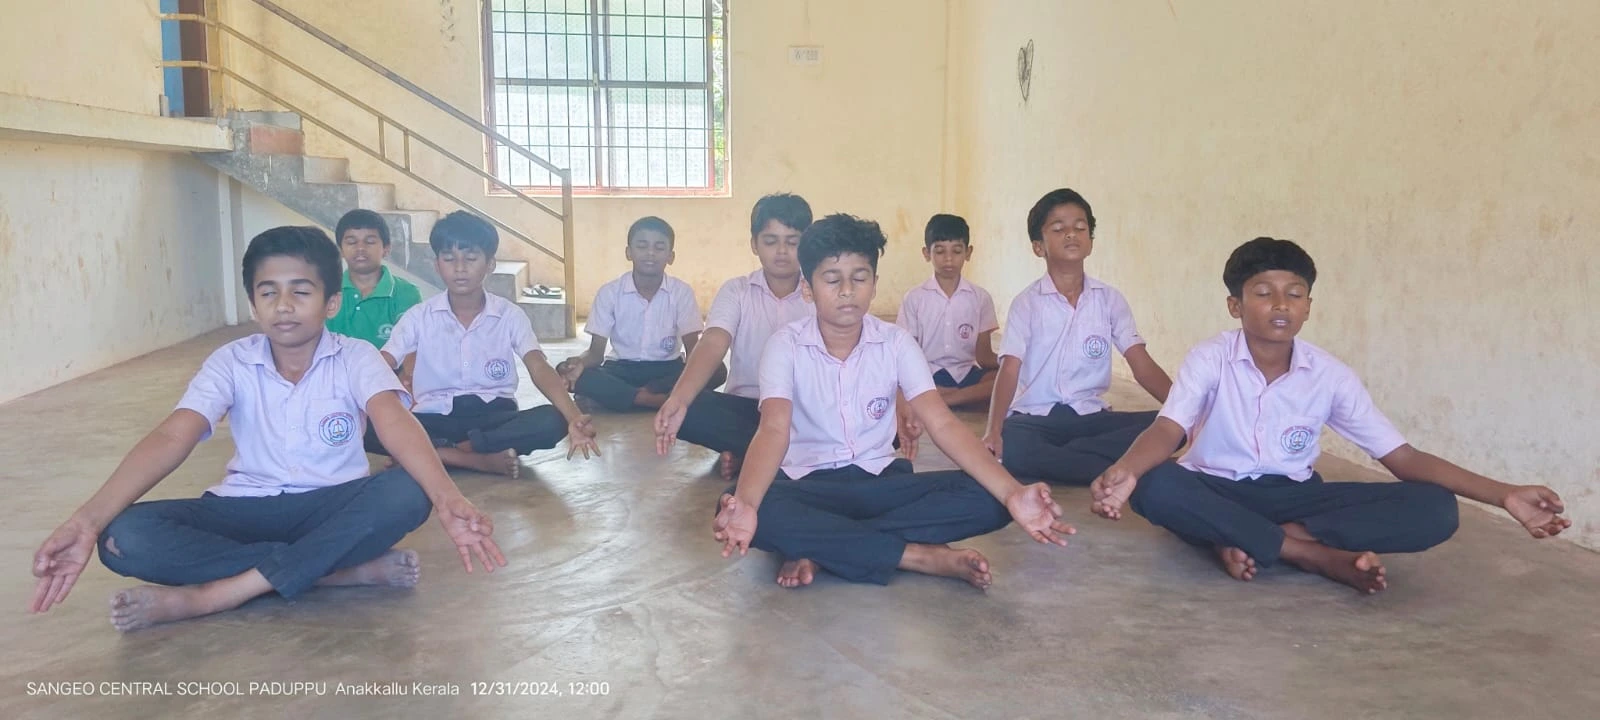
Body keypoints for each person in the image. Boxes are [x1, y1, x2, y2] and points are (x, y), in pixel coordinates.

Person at [29, 226, 505, 632]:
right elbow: (174, 436)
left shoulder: (356, 357)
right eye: (268, 292)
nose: (283, 305)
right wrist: (86, 521)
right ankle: (333, 572)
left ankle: (214, 595)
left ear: (331, 302)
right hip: (244, 508)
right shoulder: (231, 361)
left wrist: (448, 498)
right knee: (123, 537)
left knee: (407, 491)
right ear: (254, 304)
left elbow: (394, 420)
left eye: (301, 291)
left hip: (330, 505)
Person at [1090, 236, 1570, 593]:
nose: (1281, 304)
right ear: (1235, 305)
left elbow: (1403, 459)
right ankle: (1311, 555)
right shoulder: (1210, 357)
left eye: (1295, 293)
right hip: (1215, 487)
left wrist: (1504, 494)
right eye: (1263, 292)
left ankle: (1250, 538)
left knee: (1435, 508)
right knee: (1156, 485)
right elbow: (1169, 427)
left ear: (1308, 307)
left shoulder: (1330, 375)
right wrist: (1127, 470)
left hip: (1294, 497)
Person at [711, 213, 1074, 589]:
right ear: (808, 288)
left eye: (859, 278)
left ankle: (820, 547)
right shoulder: (785, 345)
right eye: (832, 280)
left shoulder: (896, 343)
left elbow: (942, 423)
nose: (847, 291)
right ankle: (916, 555)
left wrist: (1013, 493)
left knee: (992, 498)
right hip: (809, 484)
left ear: (874, 284)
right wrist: (747, 505)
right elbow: (773, 429)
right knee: (741, 503)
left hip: (878, 481)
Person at [372, 211, 600, 476]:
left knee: (553, 419)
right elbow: (383, 363)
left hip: (495, 418)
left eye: (470, 258)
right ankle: (477, 458)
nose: (459, 268)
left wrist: (574, 417)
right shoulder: (419, 317)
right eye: (449, 259)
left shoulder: (509, 315)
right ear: (437, 264)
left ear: (490, 264)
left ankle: (441, 453)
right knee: (367, 424)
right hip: (433, 418)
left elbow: (538, 366)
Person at [983, 188, 1173, 485]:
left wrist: (1185, 413)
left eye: (1080, 227)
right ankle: (1120, 468)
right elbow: (1009, 369)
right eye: (1059, 229)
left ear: (1091, 243)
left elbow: (1141, 364)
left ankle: (1077, 462)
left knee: (1166, 426)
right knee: (1015, 444)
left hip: (1091, 417)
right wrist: (993, 430)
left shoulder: (1109, 299)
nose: (1071, 234)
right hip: (1035, 419)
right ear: (1038, 247)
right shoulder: (1026, 303)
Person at [654, 193, 814, 480]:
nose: (782, 251)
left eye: (793, 242)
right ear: (754, 244)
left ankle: (752, 456)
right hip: (746, 408)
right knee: (688, 408)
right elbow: (714, 341)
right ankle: (780, 457)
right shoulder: (737, 291)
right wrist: (679, 398)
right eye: (770, 241)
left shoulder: (820, 291)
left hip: (802, 409)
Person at [558, 216, 720, 411]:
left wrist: (690, 376)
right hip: (621, 369)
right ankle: (655, 401)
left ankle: (626, 398)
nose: (650, 253)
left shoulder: (681, 292)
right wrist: (578, 364)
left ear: (671, 256)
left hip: (667, 371)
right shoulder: (610, 292)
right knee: (572, 373)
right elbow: (595, 354)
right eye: (642, 246)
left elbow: (693, 350)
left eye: (659, 247)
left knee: (717, 370)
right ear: (629, 252)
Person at [895, 213, 999, 410]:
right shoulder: (915, 298)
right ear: (927, 253)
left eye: (957, 251)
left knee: (1005, 379)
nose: (949, 259)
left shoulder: (980, 298)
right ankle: (963, 397)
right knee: (901, 382)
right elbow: (908, 353)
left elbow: (984, 356)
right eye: (940, 251)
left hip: (967, 373)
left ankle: (947, 399)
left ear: (968, 252)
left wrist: (1014, 363)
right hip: (929, 374)